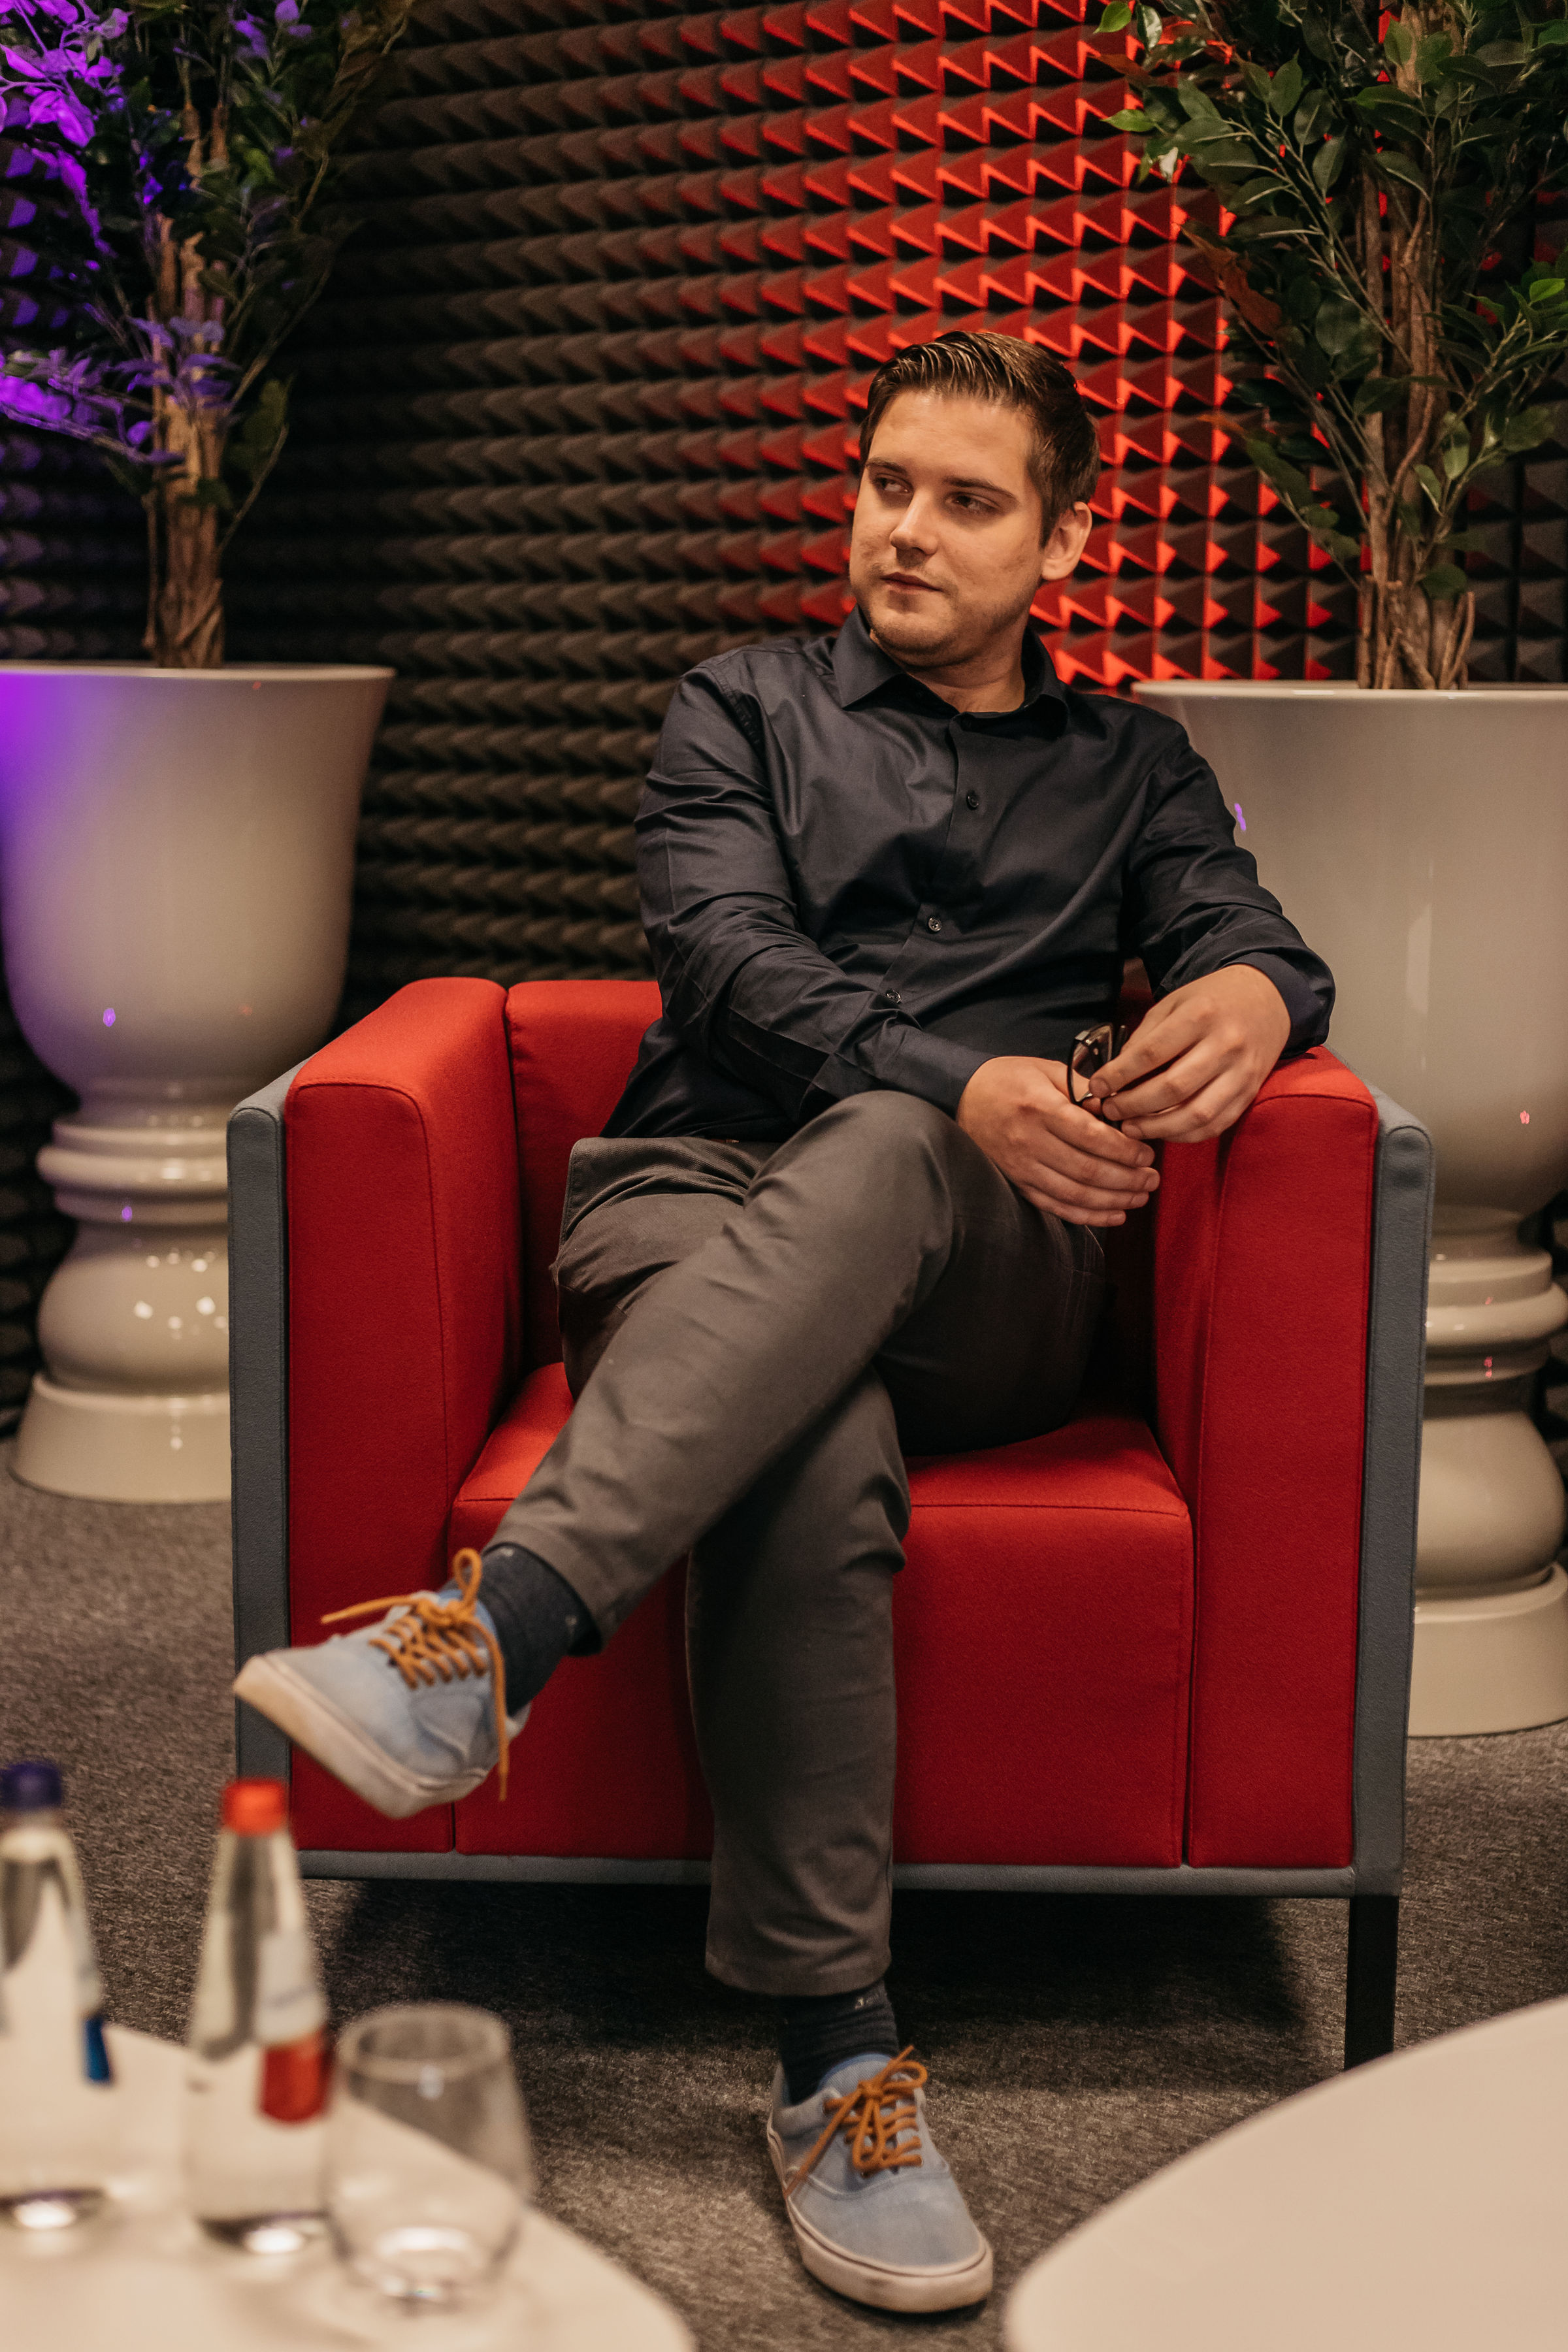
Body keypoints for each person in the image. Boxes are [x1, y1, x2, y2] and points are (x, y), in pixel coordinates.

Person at [236, 330, 1332, 2316]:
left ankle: (501, 1633)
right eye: (888, 483)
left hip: (985, 1263)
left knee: (900, 1146)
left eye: (968, 501)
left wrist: (1259, 989)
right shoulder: (736, 707)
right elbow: (726, 962)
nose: (907, 528)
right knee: (808, 1438)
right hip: (689, 1203)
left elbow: (1245, 928)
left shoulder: (1137, 765)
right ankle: (839, 2062)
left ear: (1065, 544)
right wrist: (950, 1072)